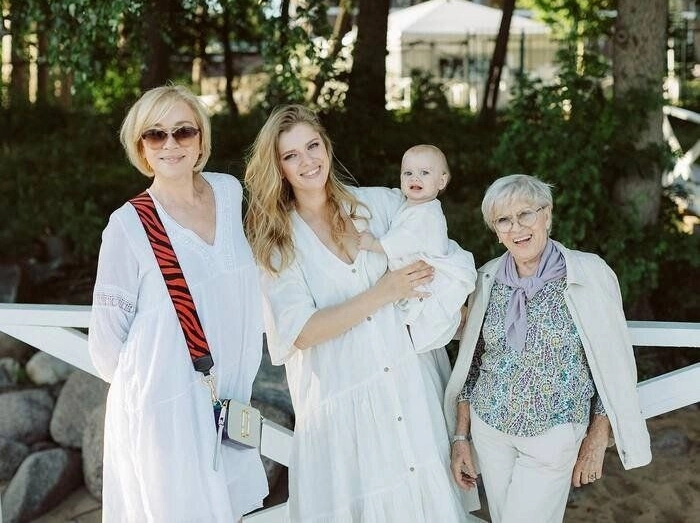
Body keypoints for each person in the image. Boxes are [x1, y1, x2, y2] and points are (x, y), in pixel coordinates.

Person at [244, 105, 479, 522]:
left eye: (312, 145)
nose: (307, 160)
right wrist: (383, 292)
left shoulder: (381, 205)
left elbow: (441, 255)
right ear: (277, 167)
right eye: (291, 155)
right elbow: (301, 331)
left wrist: (452, 308)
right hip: (343, 406)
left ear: (327, 147)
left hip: (410, 385)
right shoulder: (279, 243)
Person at [88, 85, 268, 522]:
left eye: (183, 132)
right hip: (163, 412)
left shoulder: (229, 194)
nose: (170, 144)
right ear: (141, 147)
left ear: (201, 141)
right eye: (156, 134)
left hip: (226, 400)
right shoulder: (129, 225)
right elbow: (106, 346)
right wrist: (161, 392)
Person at [444, 174, 652, 523]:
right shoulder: (486, 279)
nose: (517, 228)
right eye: (504, 220)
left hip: (554, 434)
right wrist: (461, 436)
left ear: (547, 215)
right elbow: (472, 364)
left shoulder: (589, 273)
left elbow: (613, 363)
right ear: (495, 230)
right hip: (490, 429)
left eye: (526, 214)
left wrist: (598, 437)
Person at [357, 144, 476, 352]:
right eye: (408, 173)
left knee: (429, 316)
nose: (415, 178)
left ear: (441, 181)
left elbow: (404, 239)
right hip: (416, 273)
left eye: (424, 173)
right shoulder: (413, 206)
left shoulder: (427, 214)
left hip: (431, 277)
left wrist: (373, 244)